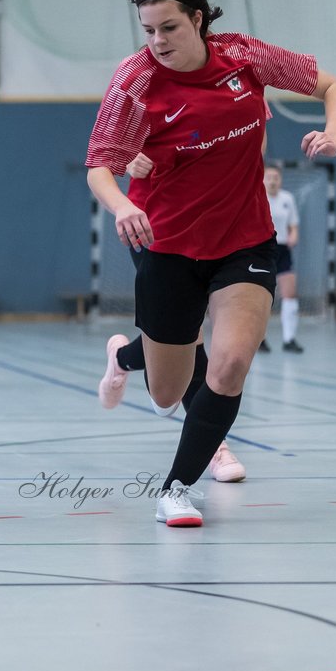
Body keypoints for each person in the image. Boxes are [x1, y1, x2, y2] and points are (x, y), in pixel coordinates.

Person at [85, 0, 336, 527]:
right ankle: (126, 356)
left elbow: (334, 86)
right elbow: (100, 169)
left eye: (169, 28)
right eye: (148, 30)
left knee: (228, 364)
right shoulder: (134, 79)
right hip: (167, 243)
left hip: (244, 240)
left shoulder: (244, 57)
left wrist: (333, 131)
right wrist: (124, 204)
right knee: (166, 391)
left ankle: (176, 489)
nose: (157, 42)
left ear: (197, 20)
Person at [97, 152, 246, 484]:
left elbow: (254, 138)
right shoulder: (135, 99)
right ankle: (214, 445)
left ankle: (121, 358)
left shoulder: (246, 98)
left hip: (218, 221)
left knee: (181, 335)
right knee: (189, 329)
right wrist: (129, 160)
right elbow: (103, 156)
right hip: (153, 225)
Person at [259, 164, 303, 353]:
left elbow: (293, 224)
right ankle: (259, 339)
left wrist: (294, 235)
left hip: (283, 249)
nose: (273, 180)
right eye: (269, 177)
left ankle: (289, 339)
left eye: (276, 177)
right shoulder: (258, 196)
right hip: (262, 249)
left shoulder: (287, 198)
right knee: (260, 296)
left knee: (290, 292)